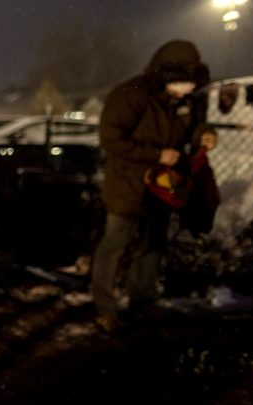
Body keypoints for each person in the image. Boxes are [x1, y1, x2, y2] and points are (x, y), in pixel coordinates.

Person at [92, 40, 217, 331]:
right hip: (127, 185)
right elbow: (111, 139)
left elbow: (197, 126)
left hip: (162, 189)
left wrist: (205, 134)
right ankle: (105, 308)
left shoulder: (187, 100)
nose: (187, 90)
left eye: (191, 84)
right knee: (115, 245)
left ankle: (143, 302)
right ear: (166, 76)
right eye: (183, 83)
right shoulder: (130, 95)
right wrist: (155, 155)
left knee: (152, 246)